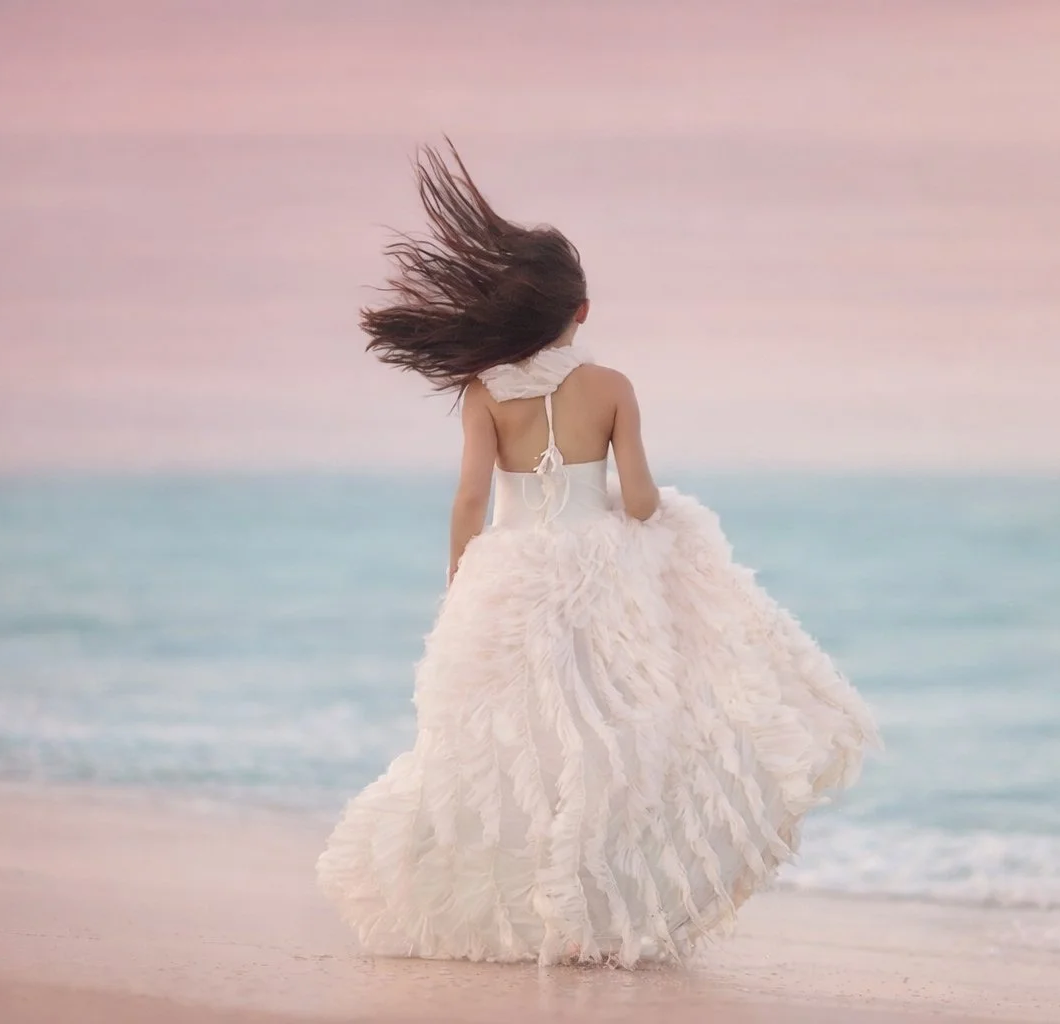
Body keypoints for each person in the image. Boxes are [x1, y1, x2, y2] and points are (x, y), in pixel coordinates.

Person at [315, 142, 879, 968]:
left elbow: (470, 499)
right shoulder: (612, 385)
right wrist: (624, 510)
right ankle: (598, 914)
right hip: (599, 571)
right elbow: (643, 500)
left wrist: (459, 581)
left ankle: (522, 911)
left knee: (514, 745)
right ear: (581, 312)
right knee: (613, 736)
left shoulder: (483, 392)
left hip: (509, 576)